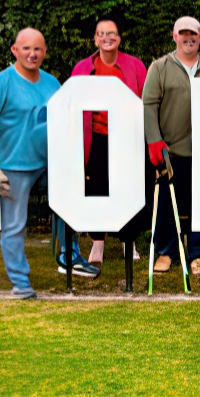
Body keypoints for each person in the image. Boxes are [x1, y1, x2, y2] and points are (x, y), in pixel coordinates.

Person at [142, 16, 200, 280]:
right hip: (170, 150)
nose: (188, 37)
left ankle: (197, 253)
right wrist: (154, 140)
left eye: (193, 33)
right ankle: (166, 252)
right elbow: (149, 105)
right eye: (183, 33)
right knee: (167, 203)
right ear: (174, 36)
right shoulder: (160, 67)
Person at [0, 28, 62, 299]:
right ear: (15, 50)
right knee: (14, 225)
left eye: (37, 49)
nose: (32, 54)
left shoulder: (53, 84)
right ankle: (20, 284)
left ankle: (71, 258)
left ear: (45, 52)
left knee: (69, 209)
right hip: (15, 166)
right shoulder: (1, 82)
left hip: (51, 163)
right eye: (26, 48)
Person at [68, 17, 148, 266]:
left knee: (128, 188)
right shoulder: (82, 67)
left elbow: (146, 101)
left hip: (126, 138)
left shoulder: (135, 66)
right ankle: (97, 241)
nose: (107, 38)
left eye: (111, 33)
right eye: (101, 33)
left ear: (120, 38)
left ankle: (129, 241)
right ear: (95, 38)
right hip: (94, 139)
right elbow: (71, 103)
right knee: (96, 188)